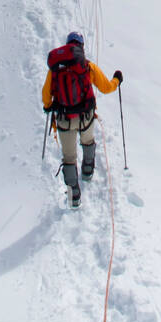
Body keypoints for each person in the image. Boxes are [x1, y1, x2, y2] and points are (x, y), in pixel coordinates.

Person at [42, 32, 123, 208]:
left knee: (69, 157)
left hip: (64, 119)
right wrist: (117, 80)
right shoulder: (87, 66)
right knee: (88, 141)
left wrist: (49, 105)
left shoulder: (55, 70)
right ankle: (87, 171)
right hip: (85, 116)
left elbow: (45, 97)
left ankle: (74, 197)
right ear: (81, 47)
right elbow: (107, 88)